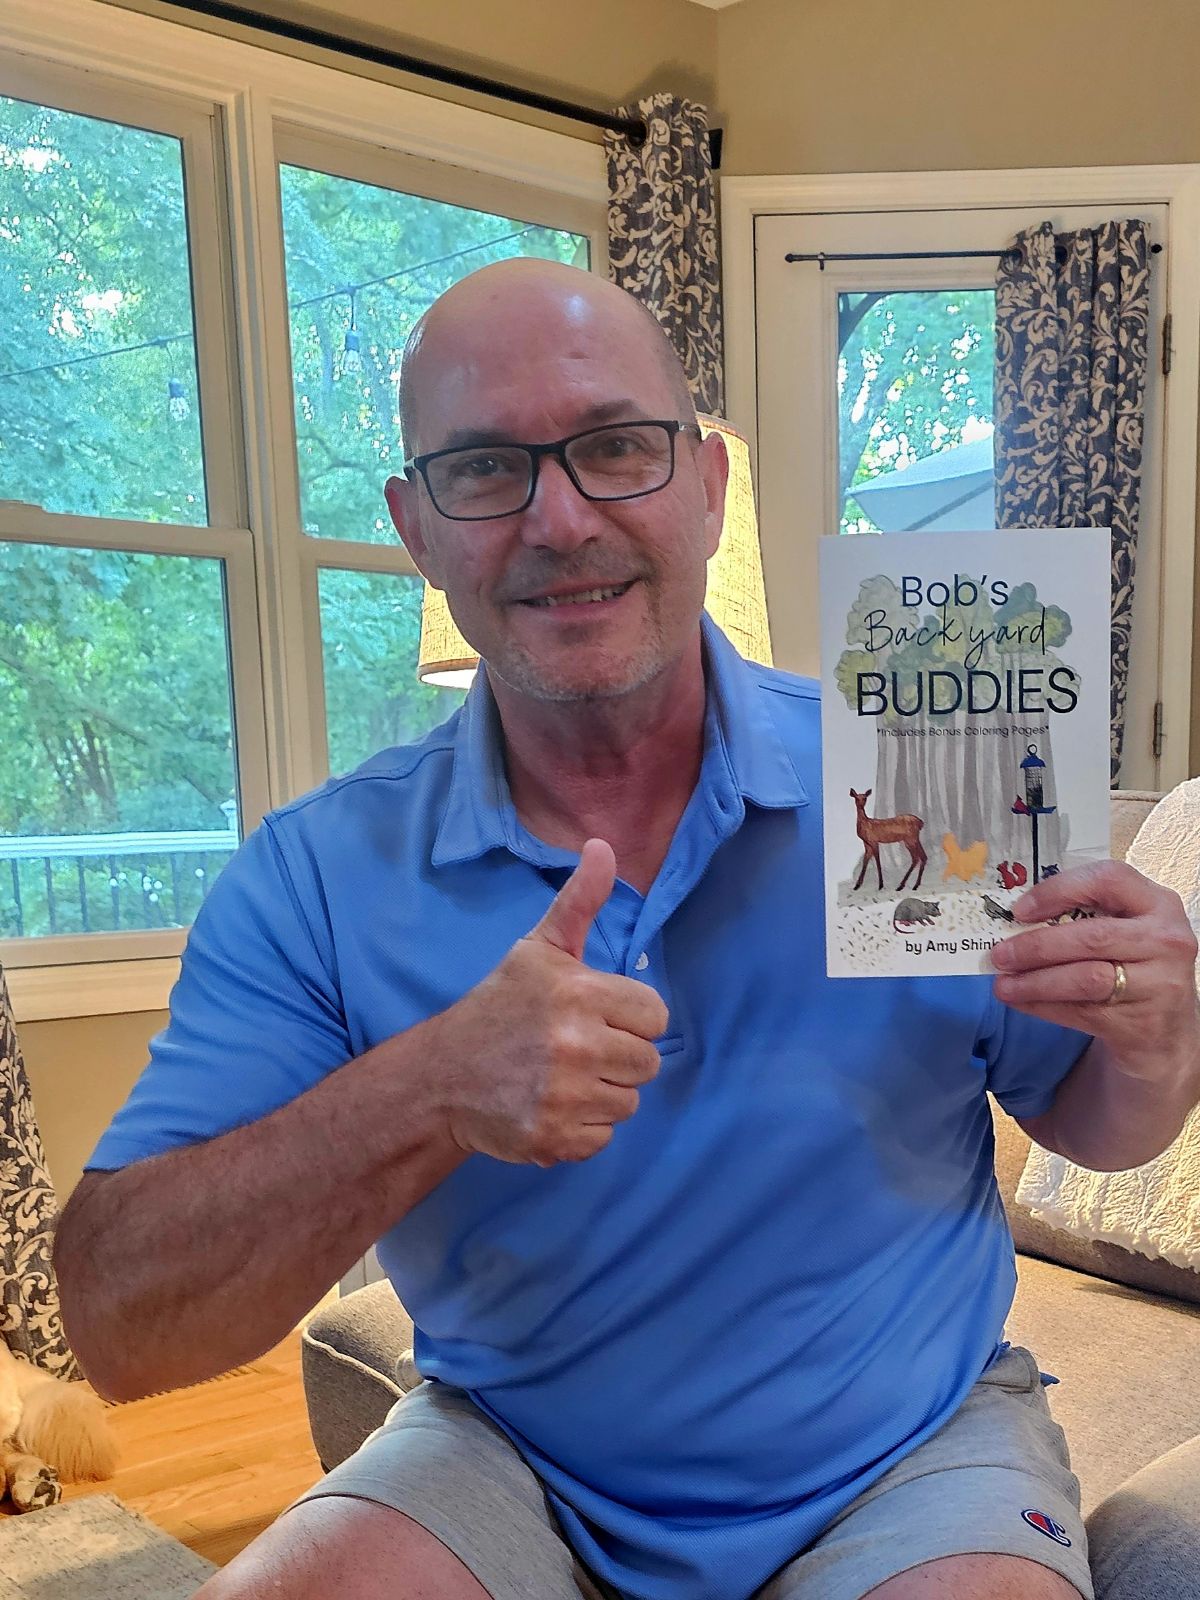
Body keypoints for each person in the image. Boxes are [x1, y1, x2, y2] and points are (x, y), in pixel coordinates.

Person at [54, 260, 1200, 1600]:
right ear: (415, 527)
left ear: (709, 486)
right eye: (485, 467)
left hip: (915, 1454)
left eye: (615, 447)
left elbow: (1100, 1125)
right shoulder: (321, 873)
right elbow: (118, 1327)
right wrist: (426, 1091)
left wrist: (1156, 1036)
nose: (559, 516)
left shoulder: (918, 770)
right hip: (511, 1458)